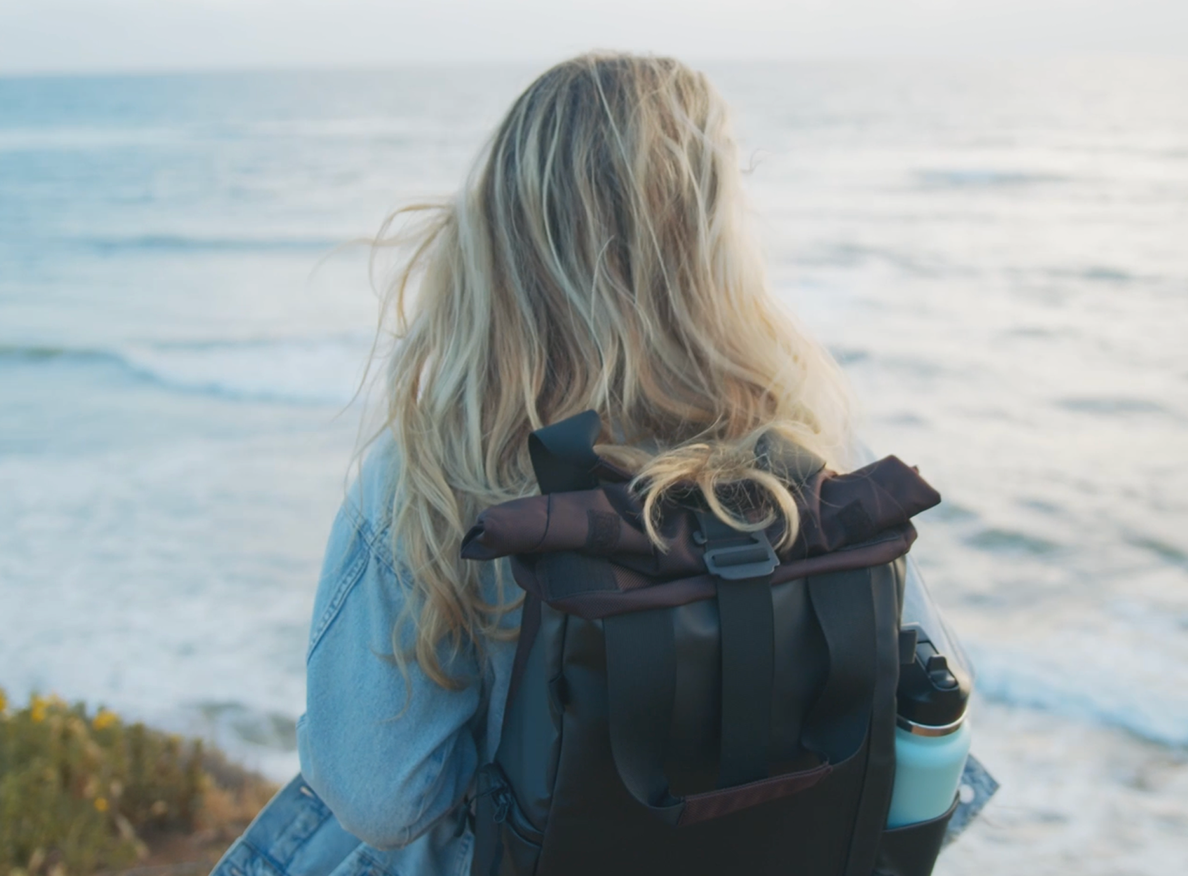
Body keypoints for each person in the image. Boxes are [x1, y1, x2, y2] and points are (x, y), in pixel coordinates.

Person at [213, 52, 974, 876]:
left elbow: (381, 796)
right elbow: (934, 697)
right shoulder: (800, 441)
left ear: (501, 229)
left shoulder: (438, 462)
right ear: (713, 235)